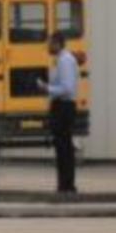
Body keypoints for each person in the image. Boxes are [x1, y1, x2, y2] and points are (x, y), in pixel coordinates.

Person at [42, 32, 79, 194]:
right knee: (61, 146)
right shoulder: (59, 60)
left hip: (64, 106)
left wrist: (47, 88)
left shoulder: (65, 61)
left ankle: (67, 185)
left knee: (64, 146)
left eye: (49, 43)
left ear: (58, 43)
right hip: (59, 105)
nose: (47, 46)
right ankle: (63, 184)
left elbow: (67, 88)